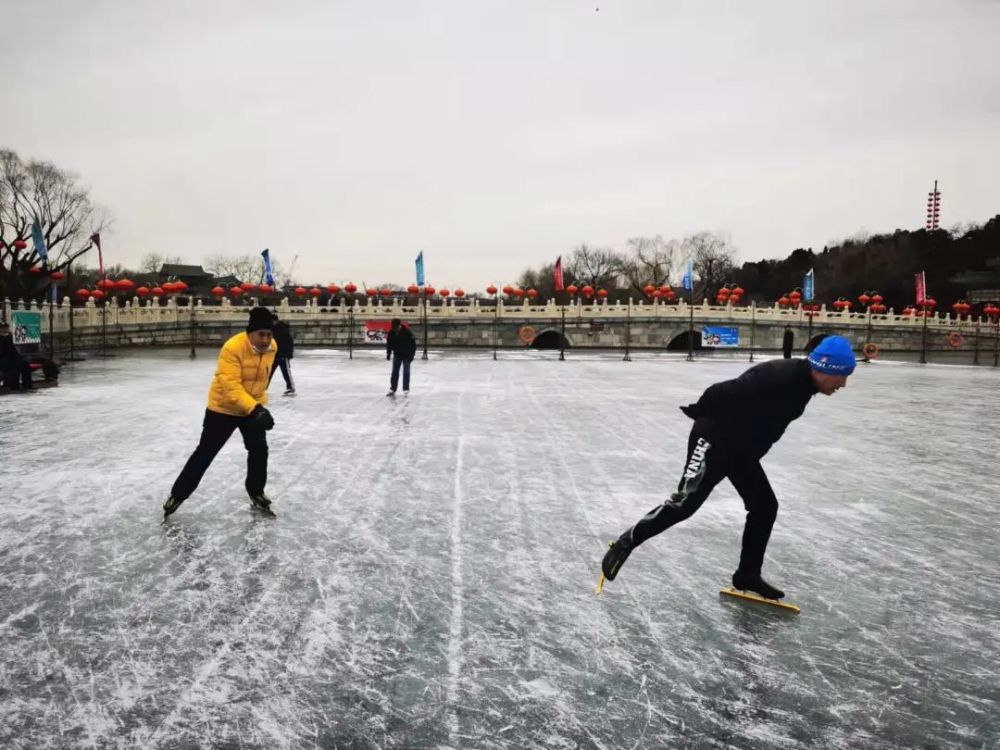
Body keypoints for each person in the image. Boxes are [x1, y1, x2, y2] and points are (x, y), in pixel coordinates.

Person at [600, 335, 857, 599]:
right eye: (843, 376)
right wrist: (700, 412)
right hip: (714, 439)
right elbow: (719, 392)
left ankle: (748, 575)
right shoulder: (778, 377)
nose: (844, 384)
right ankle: (627, 541)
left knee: (764, 506)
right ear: (826, 368)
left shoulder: (803, 385)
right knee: (685, 504)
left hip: (740, 448)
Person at [163, 307, 278, 519]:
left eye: (269, 335)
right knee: (205, 452)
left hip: (251, 407)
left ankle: (256, 491)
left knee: (259, 450)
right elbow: (230, 385)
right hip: (223, 408)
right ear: (249, 333)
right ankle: (177, 495)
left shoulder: (273, 347)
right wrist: (257, 409)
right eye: (261, 334)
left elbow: (262, 380)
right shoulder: (232, 348)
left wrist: (259, 405)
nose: (265, 340)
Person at [385, 318, 417, 396]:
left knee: (406, 372)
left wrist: (412, 355)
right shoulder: (391, 333)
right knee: (395, 372)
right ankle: (393, 389)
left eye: (395, 327)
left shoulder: (407, 332)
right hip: (397, 355)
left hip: (407, 355)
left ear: (399, 325)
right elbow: (389, 344)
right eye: (393, 327)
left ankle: (406, 389)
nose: (394, 329)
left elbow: (413, 345)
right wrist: (388, 354)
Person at [0, 320, 33, 391]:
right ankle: (14, 387)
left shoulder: (11, 336)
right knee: (14, 369)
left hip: (14, 358)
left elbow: (14, 350)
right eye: (2, 328)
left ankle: (27, 385)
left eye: (6, 327)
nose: (4, 329)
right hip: (3, 360)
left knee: (25, 365)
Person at [269, 315, 296, 396]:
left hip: (283, 354)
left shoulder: (283, 329)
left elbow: (289, 343)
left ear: (275, 321)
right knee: (268, 372)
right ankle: (262, 388)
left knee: (286, 372)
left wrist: (288, 355)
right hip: (274, 354)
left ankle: (290, 388)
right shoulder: (272, 329)